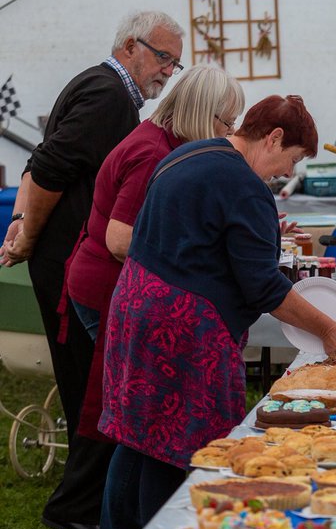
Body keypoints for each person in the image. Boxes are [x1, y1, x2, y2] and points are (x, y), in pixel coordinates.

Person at [98, 95, 336, 529]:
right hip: (181, 327)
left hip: (135, 303)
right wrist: (329, 328)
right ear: (273, 137)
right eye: (291, 159)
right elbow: (264, 287)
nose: (284, 173)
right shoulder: (243, 185)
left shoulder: (190, 153)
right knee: (174, 443)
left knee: (135, 433)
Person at [0, 10, 184, 529]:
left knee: (89, 381)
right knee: (91, 386)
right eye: (163, 58)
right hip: (69, 260)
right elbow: (50, 168)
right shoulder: (109, 95)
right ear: (131, 46)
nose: (168, 72)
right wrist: (29, 234)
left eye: (174, 63)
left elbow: (41, 162)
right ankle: (74, 506)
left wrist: (19, 223)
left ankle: (83, 497)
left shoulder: (98, 84)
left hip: (65, 255)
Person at [65, 65, 244, 470]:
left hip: (115, 285)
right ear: (202, 112)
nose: (229, 131)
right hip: (106, 286)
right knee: (129, 407)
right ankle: (95, 505)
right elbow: (119, 238)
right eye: (226, 121)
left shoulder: (163, 141)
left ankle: (108, 504)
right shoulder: (154, 154)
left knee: (129, 406)